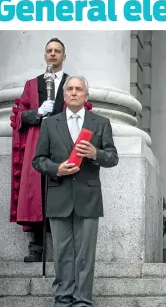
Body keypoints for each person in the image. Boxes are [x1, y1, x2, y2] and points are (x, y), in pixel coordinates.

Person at [32, 76, 118, 306]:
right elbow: (38, 160)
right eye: (69, 89)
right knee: (61, 253)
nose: (73, 92)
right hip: (59, 195)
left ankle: (82, 301)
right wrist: (56, 168)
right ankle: (62, 299)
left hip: (88, 198)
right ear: (64, 94)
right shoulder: (50, 124)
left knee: (85, 255)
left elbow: (112, 158)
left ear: (86, 96)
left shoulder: (101, 123)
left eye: (79, 89)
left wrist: (95, 154)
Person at [9, 38, 89, 262]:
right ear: (45, 56)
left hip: (63, 141)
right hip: (37, 141)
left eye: (57, 51)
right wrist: (36, 113)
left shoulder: (71, 84)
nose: (53, 54)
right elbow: (19, 116)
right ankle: (37, 247)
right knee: (37, 191)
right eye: (49, 51)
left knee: (61, 189)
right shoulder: (32, 85)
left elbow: (82, 110)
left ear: (64, 56)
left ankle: (65, 247)